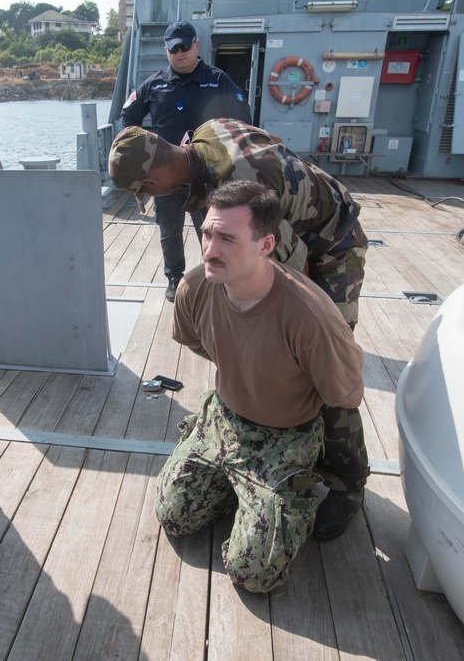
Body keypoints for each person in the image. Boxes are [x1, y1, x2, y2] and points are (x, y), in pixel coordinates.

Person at [108, 119, 369, 540]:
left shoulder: (240, 180)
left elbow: (285, 276)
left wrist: (294, 335)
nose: (153, 197)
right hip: (288, 227)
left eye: (147, 191)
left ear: (155, 178)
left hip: (331, 242)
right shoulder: (205, 133)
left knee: (326, 370)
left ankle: (347, 484)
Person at [155, 180, 365, 592]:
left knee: (252, 574)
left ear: (266, 244)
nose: (210, 250)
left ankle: (290, 496)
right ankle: (240, 487)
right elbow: (197, 341)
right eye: (207, 234)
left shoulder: (310, 317)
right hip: (225, 420)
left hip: (285, 440)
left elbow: (346, 394)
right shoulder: (195, 288)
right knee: (174, 516)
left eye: (228, 239)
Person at [120, 20, 252, 302]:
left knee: (213, 230)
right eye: (173, 48)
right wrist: (143, 148)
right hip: (165, 178)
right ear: (166, 50)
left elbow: (243, 119)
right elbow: (128, 118)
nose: (180, 52)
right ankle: (174, 277)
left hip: (205, 175)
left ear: (196, 45)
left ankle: (217, 279)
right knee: (169, 230)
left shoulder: (217, 80)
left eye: (185, 46)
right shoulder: (154, 84)